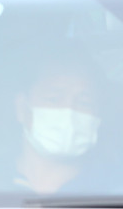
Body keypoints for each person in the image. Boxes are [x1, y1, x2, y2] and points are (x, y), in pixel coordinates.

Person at [13, 61, 106, 195]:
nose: (69, 111)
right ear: (21, 107)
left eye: (84, 103)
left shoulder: (114, 194)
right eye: (53, 99)